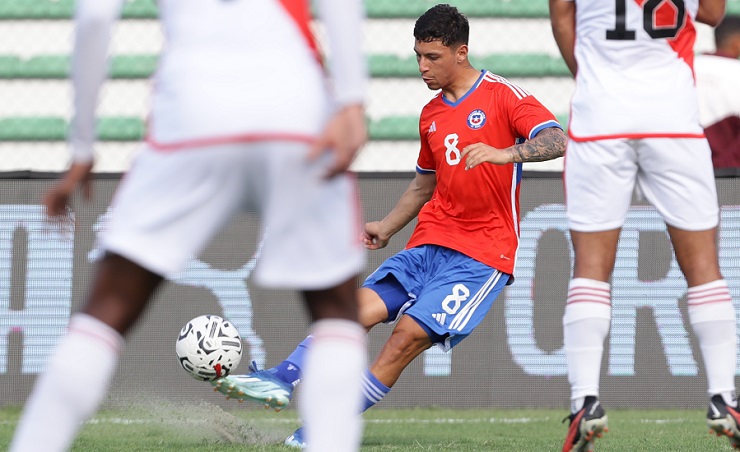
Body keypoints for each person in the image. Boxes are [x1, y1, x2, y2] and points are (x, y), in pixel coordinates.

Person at [10, 0, 369, 451]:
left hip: (192, 111)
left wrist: (82, 146)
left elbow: (97, 15)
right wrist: (353, 99)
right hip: (295, 108)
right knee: (336, 313)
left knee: (105, 312)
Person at [210, 3, 567, 449]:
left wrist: (505, 153)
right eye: (418, 56)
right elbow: (424, 185)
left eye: (432, 57)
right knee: (352, 311)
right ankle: (280, 379)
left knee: (403, 339)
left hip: (481, 255)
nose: (423, 67)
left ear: (461, 52)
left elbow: (556, 139)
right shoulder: (431, 115)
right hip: (429, 243)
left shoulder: (503, 96)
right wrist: (388, 226)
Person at [550, 1, 738, 451]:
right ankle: (722, 396)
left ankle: (585, 402)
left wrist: (594, 77)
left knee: (591, 267)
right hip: (670, 117)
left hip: (601, 118)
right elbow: (713, 14)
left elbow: (561, 16)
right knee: (704, 266)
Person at [695, 14, 740, 169]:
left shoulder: (686, 67)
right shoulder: (736, 72)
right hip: (731, 182)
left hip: (682, 171)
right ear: (737, 41)